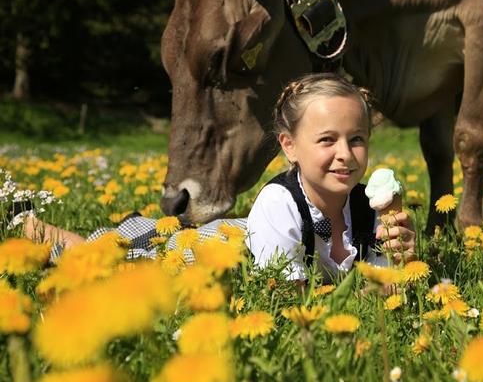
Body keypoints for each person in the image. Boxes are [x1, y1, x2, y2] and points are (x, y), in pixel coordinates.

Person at [17, 73, 416, 283]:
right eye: (327, 139)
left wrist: (403, 256)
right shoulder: (280, 203)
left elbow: (386, 281)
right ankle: (37, 230)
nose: (345, 154)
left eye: (357, 139)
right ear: (289, 147)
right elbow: (292, 300)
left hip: (248, 233)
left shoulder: (368, 209)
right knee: (110, 263)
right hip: (212, 252)